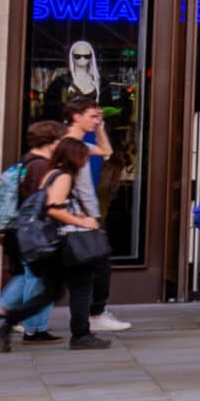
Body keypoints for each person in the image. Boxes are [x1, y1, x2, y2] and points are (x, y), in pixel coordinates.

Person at [0, 136, 109, 352]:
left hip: (53, 244)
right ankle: (81, 335)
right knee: (82, 287)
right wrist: (83, 221)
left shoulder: (51, 174)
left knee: (51, 292)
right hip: (66, 243)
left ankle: (7, 322)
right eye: (83, 156)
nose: (85, 161)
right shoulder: (63, 177)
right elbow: (53, 208)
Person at [59, 99, 130, 333]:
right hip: (76, 217)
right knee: (91, 270)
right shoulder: (66, 144)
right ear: (76, 117)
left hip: (85, 216)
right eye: (92, 116)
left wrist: (99, 127)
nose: (96, 120)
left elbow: (107, 152)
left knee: (93, 268)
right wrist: (79, 214)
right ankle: (93, 316)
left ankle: (15, 314)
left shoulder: (79, 144)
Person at [0, 122, 65, 344]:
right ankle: (34, 328)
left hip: (19, 229)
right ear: (52, 141)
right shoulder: (42, 166)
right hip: (34, 231)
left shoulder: (25, 161)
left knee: (25, 275)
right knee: (38, 278)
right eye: (60, 140)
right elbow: (40, 202)